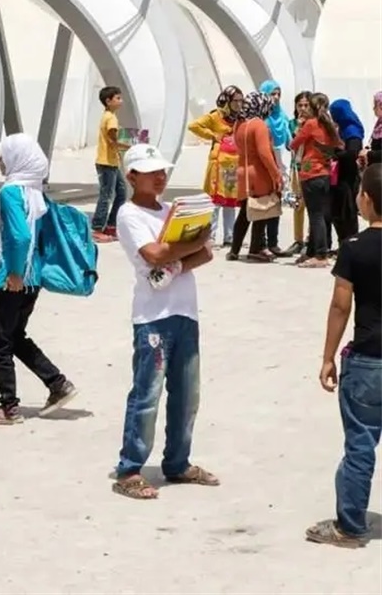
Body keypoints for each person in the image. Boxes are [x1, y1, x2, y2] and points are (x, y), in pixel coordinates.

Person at [112, 143, 218, 500]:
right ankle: (129, 469)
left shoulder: (173, 211)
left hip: (185, 311)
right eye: (151, 172)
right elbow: (153, 254)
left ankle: (177, 462)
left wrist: (174, 263)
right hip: (152, 318)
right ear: (132, 177)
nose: (160, 177)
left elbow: (205, 252)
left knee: (187, 395)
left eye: (162, 171)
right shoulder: (129, 214)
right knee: (147, 394)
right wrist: (185, 250)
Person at [306, 163, 382, 548]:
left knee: (360, 445)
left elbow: (341, 305)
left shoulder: (353, 248)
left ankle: (350, 526)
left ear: (365, 199)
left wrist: (328, 357)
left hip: (368, 360)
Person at [0, 134, 77, 426]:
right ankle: (57, 383)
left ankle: (8, 406)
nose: (0, 161)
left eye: (4, 155)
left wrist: (13, 273)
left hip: (13, 278)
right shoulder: (35, 192)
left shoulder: (10, 192)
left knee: (0, 342)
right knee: (15, 336)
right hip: (33, 278)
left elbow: (20, 236)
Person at [228, 92, 283, 263]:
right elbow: (264, 153)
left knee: (245, 212)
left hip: (243, 171)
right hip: (258, 172)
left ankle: (234, 249)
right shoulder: (258, 125)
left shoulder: (239, 123)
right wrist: (276, 174)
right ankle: (255, 248)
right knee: (261, 210)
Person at [290, 93, 342, 268]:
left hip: (310, 172)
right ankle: (312, 251)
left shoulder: (311, 124)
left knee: (315, 215)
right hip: (324, 173)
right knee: (318, 213)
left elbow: (293, 144)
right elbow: (338, 145)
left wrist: (299, 127)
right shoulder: (328, 124)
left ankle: (320, 254)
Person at [187, 86, 243, 248]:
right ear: (227, 101)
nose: (239, 104)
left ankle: (229, 237)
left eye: (241, 101)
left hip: (234, 163)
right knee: (216, 201)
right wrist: (213, 135)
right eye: (235, 101)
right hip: (218, 164)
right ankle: (210, 236)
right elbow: (194, 126)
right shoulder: (215, 116)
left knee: (230, 201)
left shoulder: (241, 118)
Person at [91, 86, 129, 241]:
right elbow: (113, 138)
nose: (121, 101)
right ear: (108, 101)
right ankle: (97, 228)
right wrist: (130, 145)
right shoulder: (111, 118)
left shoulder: (108, 115)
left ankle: (111, 226)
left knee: (121, 193)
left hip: (111, 162)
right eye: (118, 98)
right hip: (106, 162)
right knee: (106, 196)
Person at [259, 80, 290, 255]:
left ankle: (273, 242)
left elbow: (290, 142)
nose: (276, 97)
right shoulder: (260, 118)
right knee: (263, 205)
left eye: (278, 94)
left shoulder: (282, 117)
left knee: (276, 205)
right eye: (272, 94)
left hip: (280, 164)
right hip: (265, 165)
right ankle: (260, 243)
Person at [330, 99, 365, 243]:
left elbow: (352, 153)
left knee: (347, 212)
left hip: (348, 178)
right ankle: (343, 243)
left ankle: (350, 242)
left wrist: (334, 154)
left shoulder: (352, 131)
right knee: (339, 212)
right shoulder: (343, 129)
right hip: (341, 176)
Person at [286, 91, 313, 259]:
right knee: (298, 204)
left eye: (306, 105)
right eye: (300, 105)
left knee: (311, 204)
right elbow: (290, 144)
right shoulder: (292, 124)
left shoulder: (315, 124)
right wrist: (298, 128)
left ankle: (311, 238)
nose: (302, 108)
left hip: (309, 167)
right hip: (296, 167)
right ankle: (298, 239)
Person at [358, 91, 382, 169]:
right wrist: (366, 149)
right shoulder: (379, 123)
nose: (373, 108)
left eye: (375, 105)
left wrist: (368, 154)